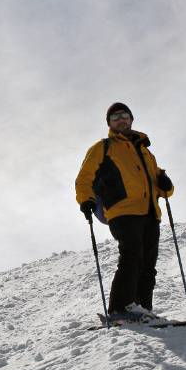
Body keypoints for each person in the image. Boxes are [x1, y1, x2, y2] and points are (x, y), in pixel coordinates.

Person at [75, 102, 174, 321]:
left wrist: (166, 185)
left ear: (131, 119)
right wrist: (86, 200)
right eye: (115, 117)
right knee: (132, 256)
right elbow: (84, 177)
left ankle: (142, 310)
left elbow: (159, 186)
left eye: (124, 115)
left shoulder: (146, 152)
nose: (121, 119)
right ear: (110, 124)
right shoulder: (104, 147)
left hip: (150, 212)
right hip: (122, 211)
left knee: (148, 263)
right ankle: (120, 308)